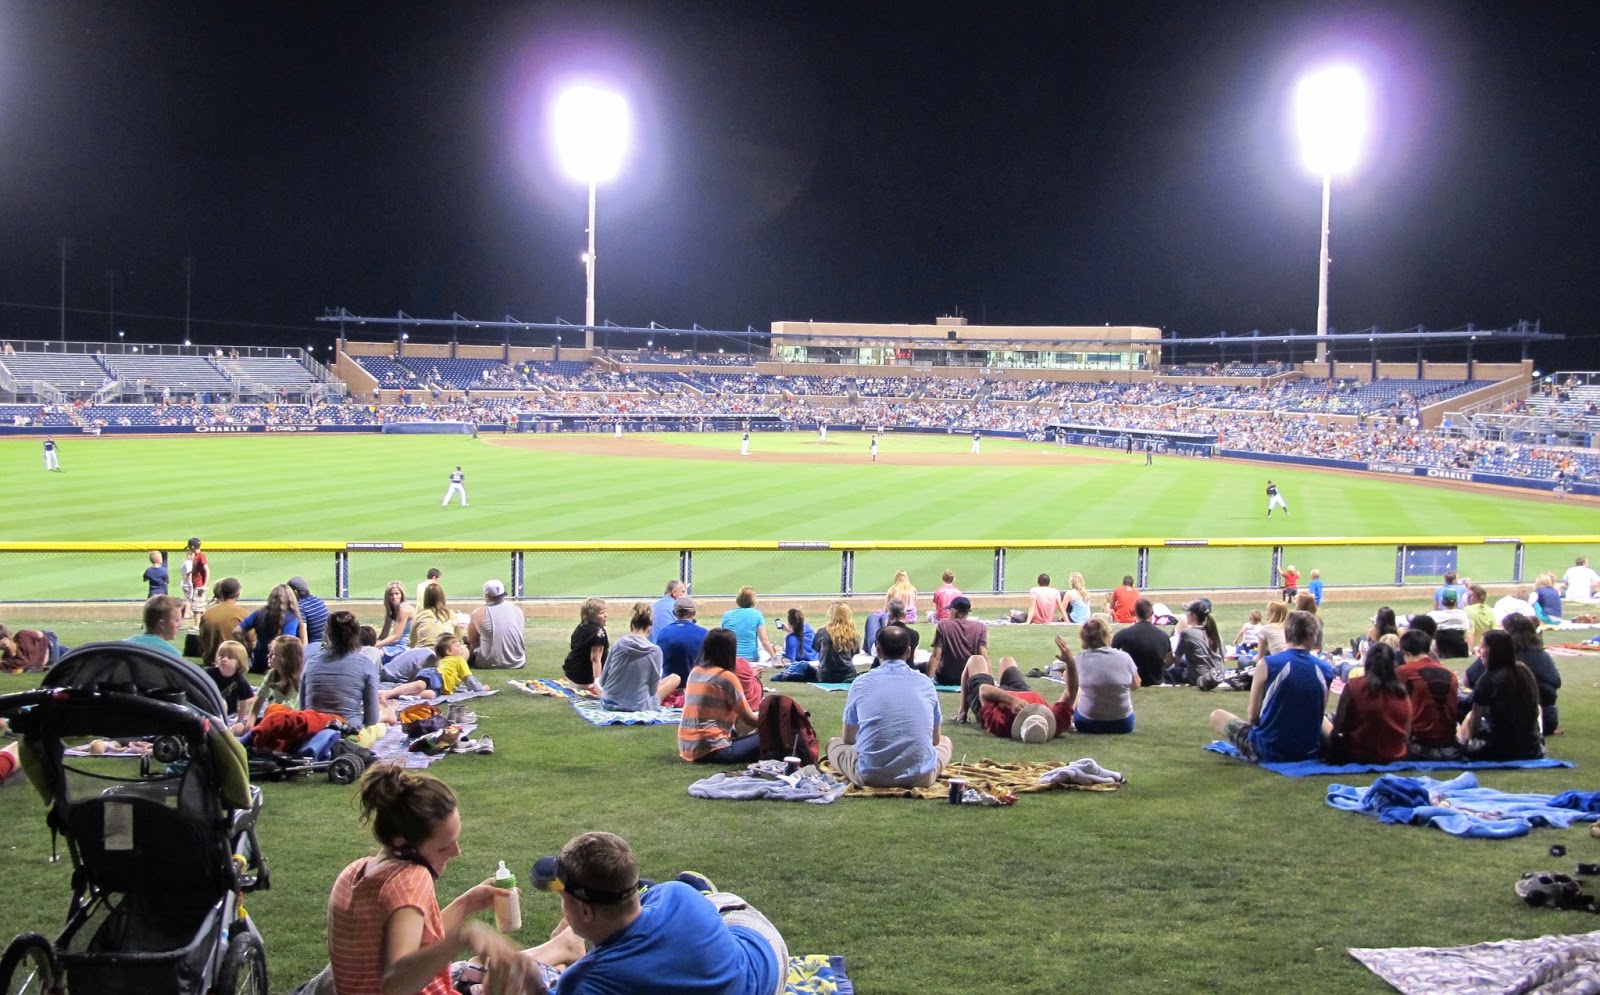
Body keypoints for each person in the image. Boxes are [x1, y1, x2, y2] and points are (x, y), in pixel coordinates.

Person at [323, 764, 583, 995]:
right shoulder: (410, 880)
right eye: (442, 847)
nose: (456, 852)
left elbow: (416, 940)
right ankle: (564, 950)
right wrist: (464, 935)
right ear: (404, 844)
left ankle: (563, 949)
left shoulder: (355, 872)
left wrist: (467, 903)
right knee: (520, 980)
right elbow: (395, 986)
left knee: (483, 965)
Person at [533, 831, 784, 995]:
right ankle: (702, 894)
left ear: (585, 911)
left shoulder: (585, 981)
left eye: (564, 899)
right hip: (767, 962)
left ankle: (707, 896)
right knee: (710, 902)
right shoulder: (676, 895)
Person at [827, 625, 952, 787]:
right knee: (945, 742)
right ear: (908, 652)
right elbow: (935, 740)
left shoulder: (861, 683)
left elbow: (848, 739)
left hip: (870, 775)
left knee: (834, 744)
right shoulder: (925, 684)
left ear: (878, 651)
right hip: (921, 775)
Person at [1208, 611, 1333, 763]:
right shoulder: (1325, 670)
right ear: (1313, 636)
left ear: (1286, 634)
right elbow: (1318, 716)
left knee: (1217, 716)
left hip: (1267, 749)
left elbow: (1253, 716)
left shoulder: (1268, 664)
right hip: (1307, 750)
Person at [1467, 614, 1562, 736]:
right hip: (1547, 719)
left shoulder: (1499, 659)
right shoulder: (1544, 656)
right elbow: (1556, 682)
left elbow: (1469, 681)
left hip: (1510, 722)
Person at [678, 628, 761, 764]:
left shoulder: (695, 672)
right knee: (775, 736)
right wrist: (774, 722)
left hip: (688, 747)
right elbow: (749, 719)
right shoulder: (726, 677)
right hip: (713, 749)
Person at [1459, 629, 1544, 761]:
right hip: (1531, 748)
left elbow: (1475, 718)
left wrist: (1471, 740)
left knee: (1468, 719)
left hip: (1500, 750)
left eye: (1483, 647)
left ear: (1494, 650)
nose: (1479, 651)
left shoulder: (1488, 679)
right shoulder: (1523, 672)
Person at [956, 652, 1075, 741]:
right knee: (1007, 660)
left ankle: (962, 712)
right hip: (1022, 692)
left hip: (994, 699)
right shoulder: (1055, 722)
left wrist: (1011, 700)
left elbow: (984, 690)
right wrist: (1070, 662)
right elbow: (1071, 692)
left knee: (976, 659)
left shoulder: (1002, 724)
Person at [1322, 643, 1410, 764]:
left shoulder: (1355, 686)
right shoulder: (1401, 690)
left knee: (1322, 720)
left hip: (1360, 753)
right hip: (1396, 752)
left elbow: (1340, 725)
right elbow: (1407, 728)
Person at [302, 611, 382, 729]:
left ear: (327, 634)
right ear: (356, 635)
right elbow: (372, 719)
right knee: (380, 728)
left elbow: (302, 709)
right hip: (348, 734)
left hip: (312, 730)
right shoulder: (365, 665)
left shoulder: (310, 663)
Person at [1396, 627, 1462, 761]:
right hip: (1450, 746)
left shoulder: (1403, 672)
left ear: (1407, 653)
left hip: (1419, 746)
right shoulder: (1450, 674)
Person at [600, 602, 680, 711]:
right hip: (637, 706)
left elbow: (602, 681)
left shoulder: (618, 644)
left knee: (596, 680)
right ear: (650, 628)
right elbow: (653, 690)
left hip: (608, 703)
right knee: (675, 678)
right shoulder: (655, 651)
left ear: (632, 625)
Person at [1071, 620, 1140, 734]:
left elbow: (1070, 684)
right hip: (1123, 723)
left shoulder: (1079, 660)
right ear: (1108, 635)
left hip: (1086, 723)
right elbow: (1136, 685)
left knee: (1078, 689)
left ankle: (1066, 720)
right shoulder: (1124, 657)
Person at [381, 634, 475, 703]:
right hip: (391, 675)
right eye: (459, 647)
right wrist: (480, 688)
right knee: (420, 685)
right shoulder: (431, 663)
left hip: (389, 671)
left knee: (430, 694)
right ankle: (389, 693)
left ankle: (402, 694)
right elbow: (469, 678)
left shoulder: (430, 656)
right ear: (449, 652)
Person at [240, 583, 305, 675]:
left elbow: (237, 631)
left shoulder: (259, 613)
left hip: (259, 663)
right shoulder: (291, 618)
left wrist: (248, 649)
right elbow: (288, 643)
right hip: (280, 666)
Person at [927, 596, 987, 687]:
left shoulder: (943, 625)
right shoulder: (980, 627)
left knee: (921, 666)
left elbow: (936, 656)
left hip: (945, 679)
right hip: (970, 678)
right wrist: (988, 679)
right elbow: (984, 656)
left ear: (954, 611)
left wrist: (928, 681)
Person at [465, 579, 526, 670]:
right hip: (517, 661)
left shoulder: (478, 613)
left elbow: (472, 641)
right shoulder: (517, 610)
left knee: (464, 645)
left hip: (487, 663)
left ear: (487, 596)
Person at [1112, 598, 1171, 689]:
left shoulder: (1123, 634)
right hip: (1156, 681)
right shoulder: (1164, 636)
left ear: (1135, 613)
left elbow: (1108, 654)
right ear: (1151, 614)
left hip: (1131, 681)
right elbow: (1169, 660)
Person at [655, 597, 708, 694]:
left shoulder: (663, 633)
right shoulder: (704, 633)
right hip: (695, 690)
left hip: (669, 690)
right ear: (694, 613)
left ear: (674, 613)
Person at [1167, 599, 1224, 688]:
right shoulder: (1214, 632)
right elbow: (1222, 656)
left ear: (1193, 615)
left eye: (1187, 612)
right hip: (1218, 674)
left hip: (1198, 677)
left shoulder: (1188, 633)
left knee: (1169, 671)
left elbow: (1176, 661)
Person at [207, 640, 256, 736]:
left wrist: (239, 720)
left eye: (230, 657)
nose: (224, 659)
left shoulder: (240, 680)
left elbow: (244, 701)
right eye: (221, 656)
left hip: (230, 713)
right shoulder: (209, 673)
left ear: (239, 662)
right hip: (211, 709)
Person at [196, 577, 249, 665]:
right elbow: (252, 643)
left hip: (211, 660)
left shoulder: (206, 614)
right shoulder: (243, 614)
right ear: (237, 594)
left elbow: (202, 639)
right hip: (235, 661)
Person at [720, 586, 777, 664]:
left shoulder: (727, 615)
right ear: (753, 600)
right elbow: (764, 640)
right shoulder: (757, 614)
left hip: (729, 657)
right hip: (749, 658)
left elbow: (721, 638)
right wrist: (774, 657)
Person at [563, 597, 611, 691]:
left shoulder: (581, 627)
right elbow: (595, 659)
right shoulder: (598, 633)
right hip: (584, 680)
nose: (606, 615)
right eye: (601, 613)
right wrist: (598, 685)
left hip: (572, 675)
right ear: (591, 616)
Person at [254, 635, 304, 720]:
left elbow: (288, 710)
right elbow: (259, 700)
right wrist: (250, 722)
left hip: (289, 719)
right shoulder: (272, 674)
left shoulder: (297, 682)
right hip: (274, 716)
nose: (268, 656)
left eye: (273, 654)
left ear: (285, 659)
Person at [811, 602, 861, 684]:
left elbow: (818, 651)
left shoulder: (822, 632)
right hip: (848, 676)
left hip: (825, 676)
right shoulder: (853, 635)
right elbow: (853, 654)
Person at [127, 594, 185, 660]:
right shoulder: (171, 655)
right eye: (177, 620)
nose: (180, 625)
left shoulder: (123, 645)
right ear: (162, 624)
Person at [870, 599, 920, 665]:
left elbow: (879, 655)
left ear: (889, 615)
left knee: (871, 618)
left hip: (883, 669)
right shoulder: (914, 634)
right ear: (904, 614)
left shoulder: (881, 633)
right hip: (907, 668)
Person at [375, 582, 417, 659]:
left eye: (397, 594)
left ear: (402, 595)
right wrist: (371, 646)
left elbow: (396, 636)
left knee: (376, 654)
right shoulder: (390, 611)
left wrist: (375, 646)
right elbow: (383, 635)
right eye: (391, 594)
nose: (394, 597)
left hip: (403, 646)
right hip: (393, 644)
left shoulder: (404, 609)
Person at [409, 585, 455, 651]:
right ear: (442, 597)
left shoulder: (420, 615)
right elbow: (458, 640)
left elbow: (412, 642)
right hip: (446, 651)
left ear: (426, 598)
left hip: (425, 652)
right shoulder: (451, 614)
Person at [288, 576, 329, 645]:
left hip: (314, 647)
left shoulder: (300, 606)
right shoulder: (318, 600)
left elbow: (303, 635)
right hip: (326, 644)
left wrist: (305, 654)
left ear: (295, 592)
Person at [182, 537, 209, 619]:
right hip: (196, 584)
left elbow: (207, 570)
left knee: (197, 607)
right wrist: (190, 572)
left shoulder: (201, 556)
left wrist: (204, 585)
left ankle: (197, 626)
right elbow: (196, 569)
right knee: (197, 605)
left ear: (193, 547)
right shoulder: (196, 556)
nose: (189, 549)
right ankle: (199, 624)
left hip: (200, 585)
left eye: (189, 547)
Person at [1463, 584, 1496, 650]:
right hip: (1485, 647)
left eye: (1470, 596)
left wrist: (1470, 650)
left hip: (1473, 648)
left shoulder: (1468, 610)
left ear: (1479, 598)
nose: (1468, 598)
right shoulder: (1490, 610)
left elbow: (1470, 632)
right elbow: (1494, 631)